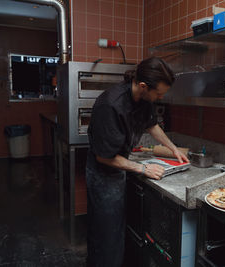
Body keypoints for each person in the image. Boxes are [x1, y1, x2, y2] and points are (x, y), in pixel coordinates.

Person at [85, 57, 189, 267]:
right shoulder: (110, 105)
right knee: (107, 237)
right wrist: (142, 168)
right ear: (143, 86)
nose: (160, 97)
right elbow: (104, 156)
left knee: (117, 232)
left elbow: (151, 125)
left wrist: (173, 148)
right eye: (158, 93)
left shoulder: (144, 99)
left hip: (119, 168)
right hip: (102, 174)